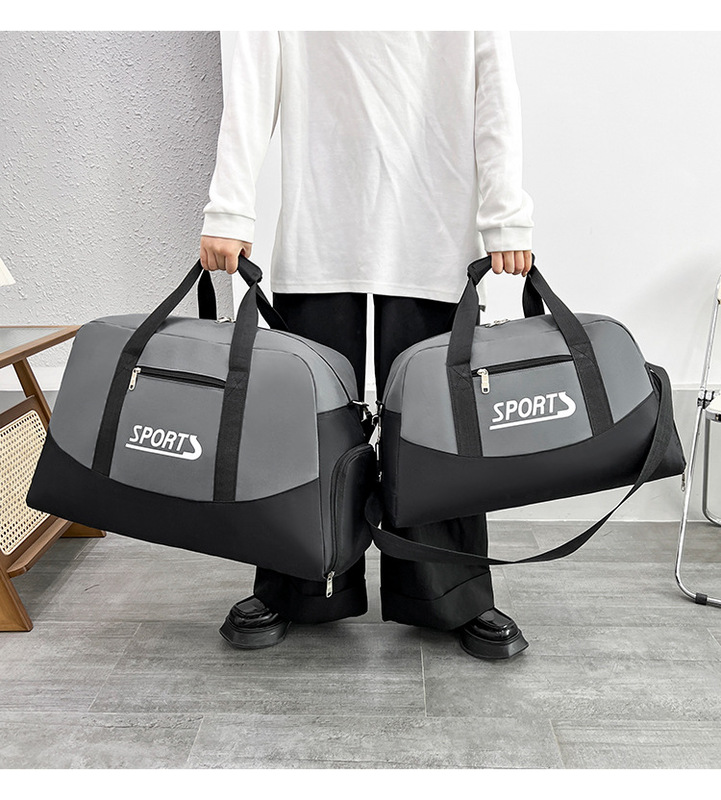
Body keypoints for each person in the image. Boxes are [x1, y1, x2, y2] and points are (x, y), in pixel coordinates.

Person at [200, 31, 534, 659]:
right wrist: (230, 206)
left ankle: (452, 594)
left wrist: (506, 212)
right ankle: (298, 586)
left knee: (438, 430)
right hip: (321, 217)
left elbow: (494, 83)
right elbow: (250, 68)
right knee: (308, 425)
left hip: (434, 220)